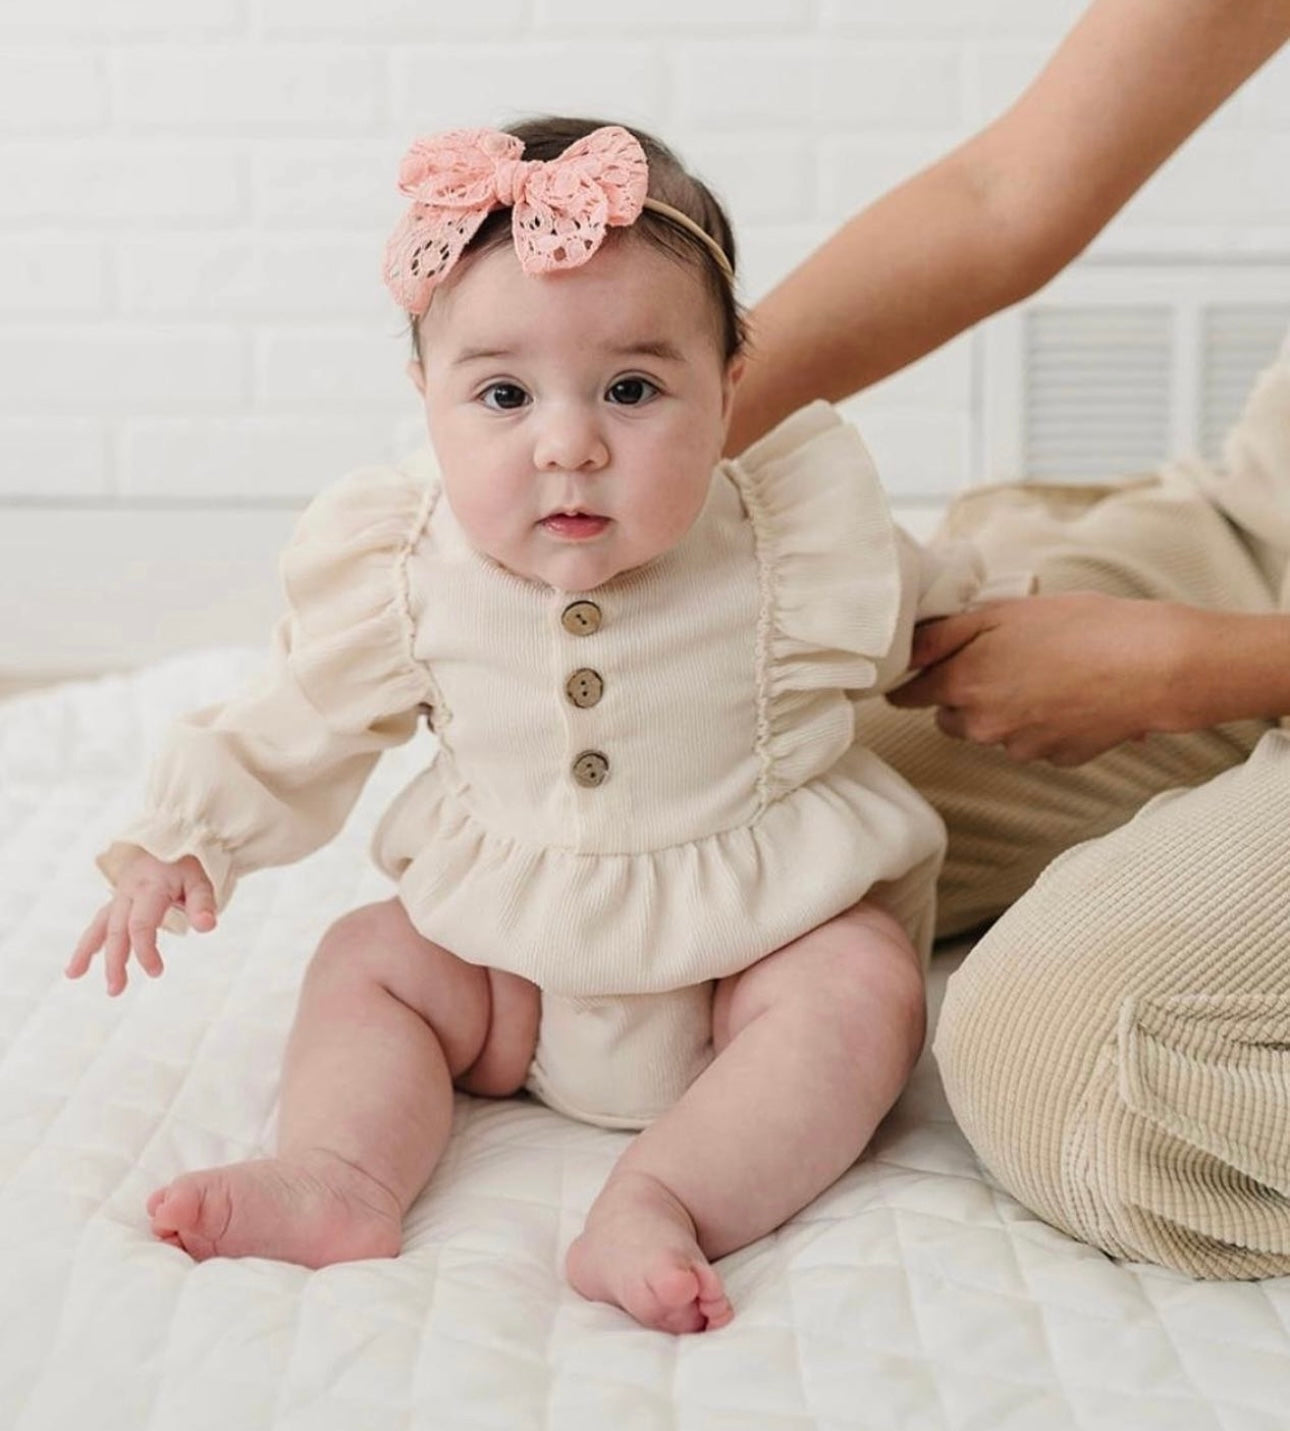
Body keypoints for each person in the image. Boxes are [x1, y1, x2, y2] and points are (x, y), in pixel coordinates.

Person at [65, 118, 1013, 1334]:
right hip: (505, 972)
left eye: (632, 388)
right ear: (427, 400)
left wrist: (1019, 627)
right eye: (503, 394)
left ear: (727, 393)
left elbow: (935, 615)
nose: (569, 443)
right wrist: (187, 836)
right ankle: (342, 1175)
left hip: (747, 960)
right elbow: (299, 718)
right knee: (366, 959)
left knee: (866, 985)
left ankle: (666, 1196)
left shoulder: (792, 546)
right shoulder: (406, 570)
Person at [728, 0, 1290, 1277]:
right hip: (1268, 530)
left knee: (1070, 1057)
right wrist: (651, 428)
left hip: (1242, 638)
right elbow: (1004, 191)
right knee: (758, 773)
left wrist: (1187, 670)